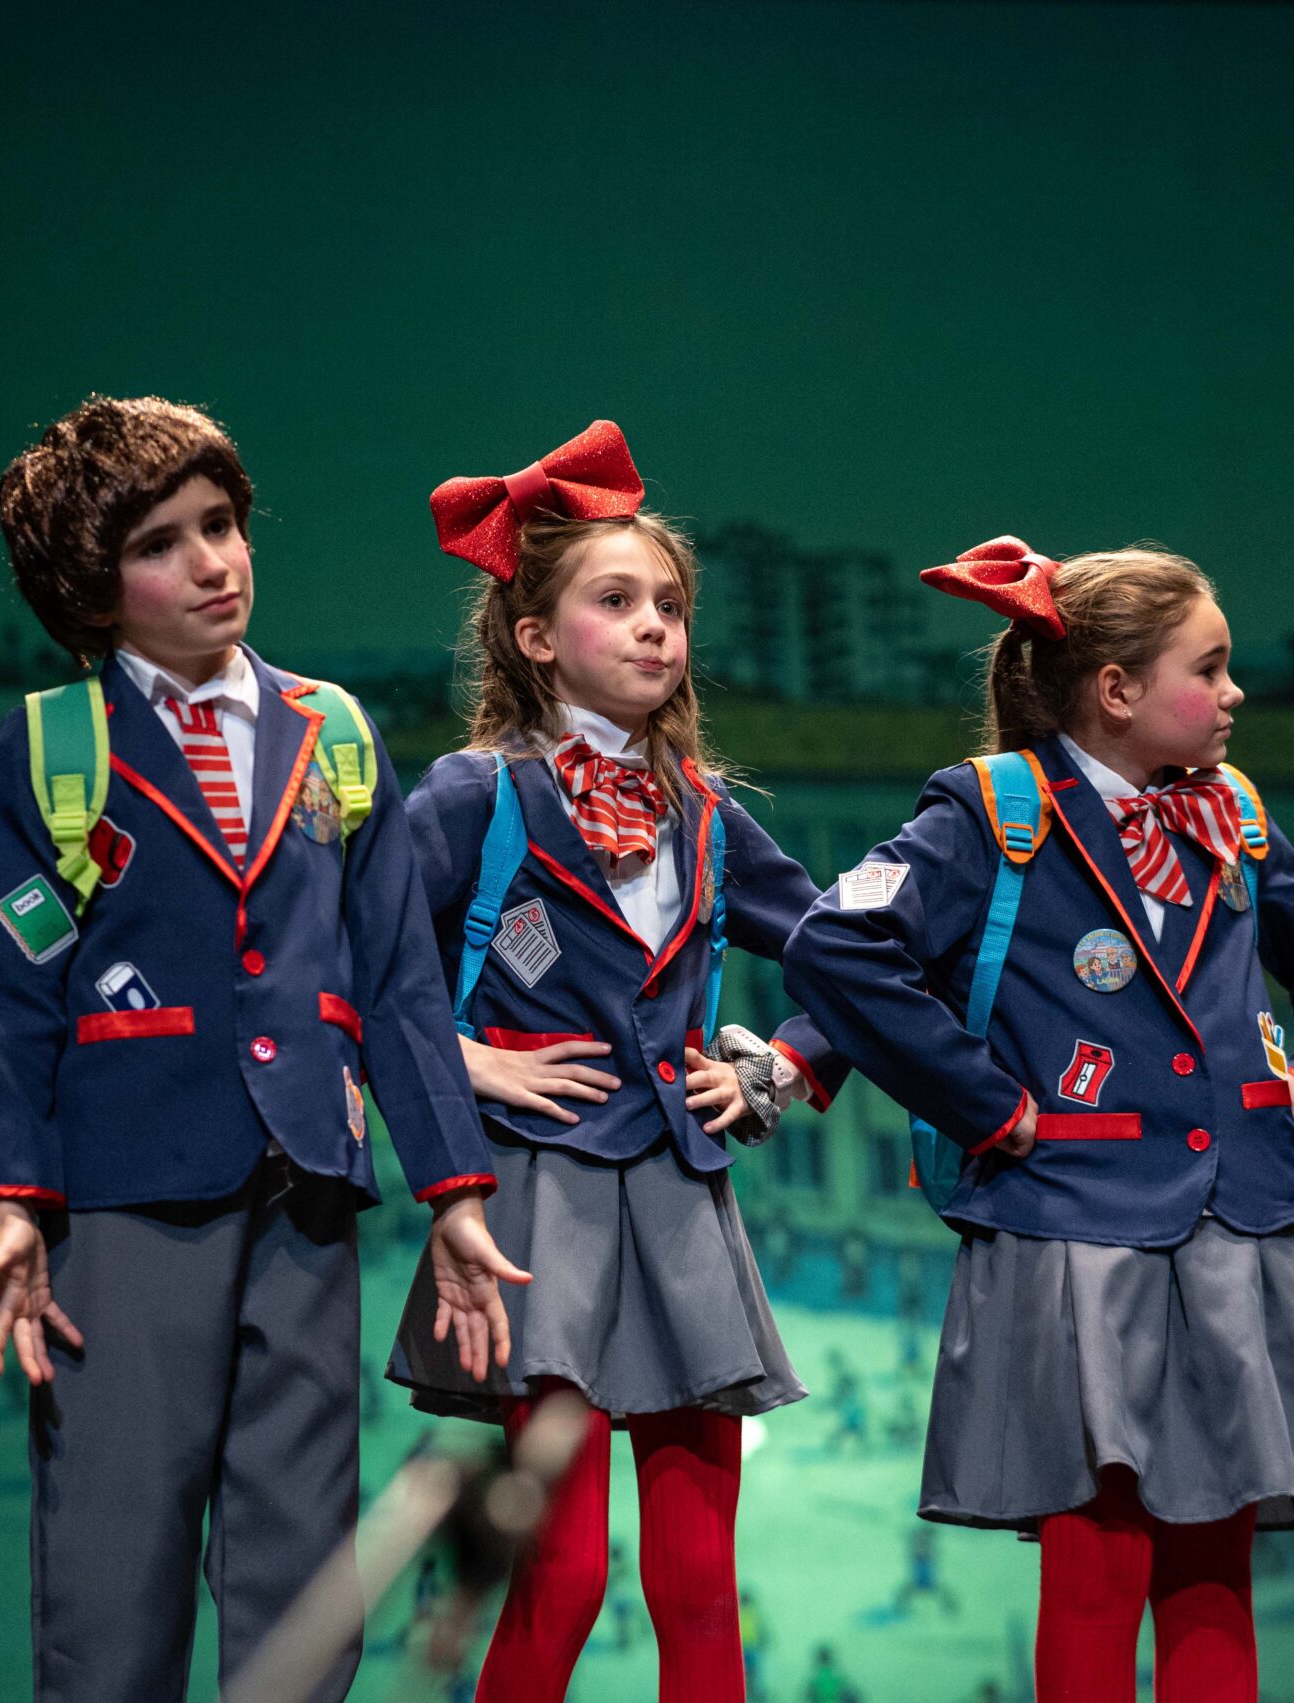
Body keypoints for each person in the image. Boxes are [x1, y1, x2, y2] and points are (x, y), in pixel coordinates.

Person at [0, 395, 525, 1701]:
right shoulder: (57, 745)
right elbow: (9, 991)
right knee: (115, 1554)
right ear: (91, 588)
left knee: (301, 1551)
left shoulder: (334, 730)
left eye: (221, 523)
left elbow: (399, 983)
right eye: (160, 543)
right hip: (124, 1194)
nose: (212, 561)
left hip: (305, 1188)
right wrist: (13, 1198)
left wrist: (455, 1187)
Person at [784, 539, 1294, 1703]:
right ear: (1116, 689)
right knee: (1095, 1568)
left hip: (1237, 1223)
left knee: (1215, 1570)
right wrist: (990, 1105)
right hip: (1076, 1227)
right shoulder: (993, 809)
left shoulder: (1234, 811)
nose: (1234, 692)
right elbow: (838, 947)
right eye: (1207, 668)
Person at [385, 420, 851, 1703]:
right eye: (617, 600)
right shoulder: (473, 794)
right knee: (566, 1574)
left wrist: (778, 1067)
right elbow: (350, 968)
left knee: (699, 1582)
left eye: (670, 605)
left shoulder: (707, 810)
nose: (654, 626)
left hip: (684, 1202)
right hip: (544, 1210)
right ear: (535, 635)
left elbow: (857, 962)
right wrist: (460, 1062)